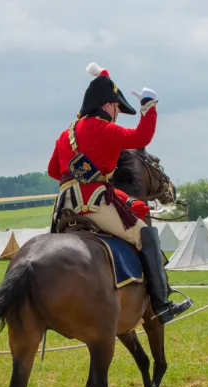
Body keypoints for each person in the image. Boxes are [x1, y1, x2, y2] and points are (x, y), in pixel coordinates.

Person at [47, 62, 191, 324]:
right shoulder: (104, 129)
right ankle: (161, 305)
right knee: (145, 234)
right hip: (94, 205)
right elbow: (142, 136)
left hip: (64, 207)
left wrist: (81, 175)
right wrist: (148, 107)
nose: (117, 113)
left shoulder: (65, 134)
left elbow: (53, 171)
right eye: (117, 108)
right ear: (108, 105)